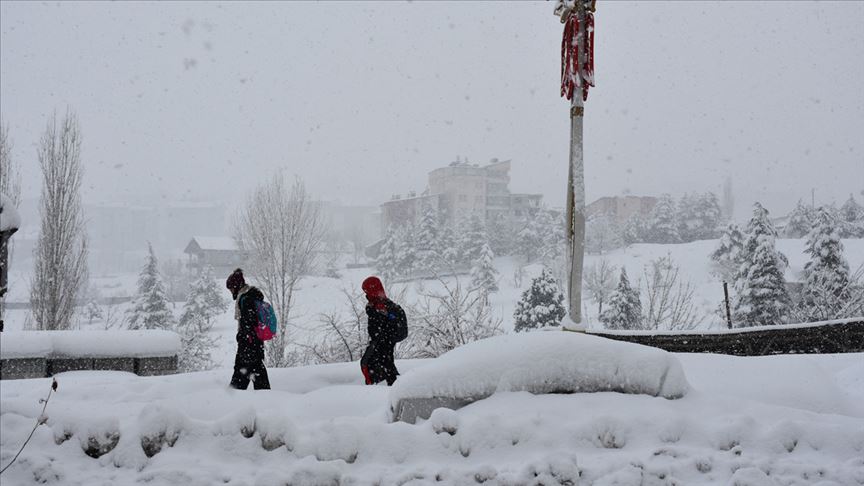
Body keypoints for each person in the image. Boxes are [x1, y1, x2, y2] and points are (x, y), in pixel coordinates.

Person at [226, 268, 271, 390]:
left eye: (231, 288)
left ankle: (230, 400)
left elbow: (249, 323)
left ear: (236, 286)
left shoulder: (246, 299)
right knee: (257, 374)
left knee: (240, 377)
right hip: (255, 345)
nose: (231, 292)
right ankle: (268, 399)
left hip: (248, 345)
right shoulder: (250, 296)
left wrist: (242, 336)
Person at [360, 276, 403, 386]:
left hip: (383, 341)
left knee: (379, 365)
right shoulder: (375, 304)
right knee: (377, 365)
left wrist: (380, 313)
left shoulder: (384, 306)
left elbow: (385, 323)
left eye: (367, 291)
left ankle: (383, 389)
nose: (365, 294)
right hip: (380, 341)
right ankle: (383, 387)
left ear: (373, 290)